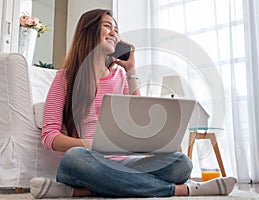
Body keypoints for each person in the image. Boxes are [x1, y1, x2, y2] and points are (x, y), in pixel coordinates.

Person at [29, 9, 237, 199]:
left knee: (181, 163)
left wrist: (131, 72)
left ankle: (86, 190)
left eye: (116, 29)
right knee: (74, 158)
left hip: (126, 164)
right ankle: (183, 190)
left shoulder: (119, 75)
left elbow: (141, 121)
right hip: (86, 162)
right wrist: (89, 144)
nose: (114, 33)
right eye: (107, 26)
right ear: (89, 31)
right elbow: (50, 137)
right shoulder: (65, 78)